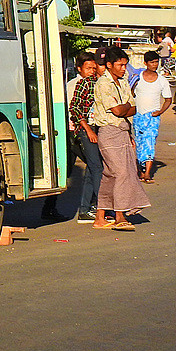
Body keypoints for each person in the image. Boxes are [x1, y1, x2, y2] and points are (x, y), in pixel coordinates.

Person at [91, 47, 150, 230]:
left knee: (110, 176)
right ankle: (120, 215)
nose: (124, 68)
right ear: (109, 65)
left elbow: (133, 107)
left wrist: (125, 109)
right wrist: (125, 108)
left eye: (125, 65)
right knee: (122, 173)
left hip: (123, 132)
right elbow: (118, 110)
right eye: (120, 65)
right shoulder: (103, 84)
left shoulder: (123, 82)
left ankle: (100, 216)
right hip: (109, 132)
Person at [68, 53, 106, 223]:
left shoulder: (99, 83)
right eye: (88, 68)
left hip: (96, 130)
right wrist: (87, 130)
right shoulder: (80, 84)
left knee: (92, 169)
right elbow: (74, 108)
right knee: (96, 168)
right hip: (81, 132)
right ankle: (102, 207)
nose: (92, 71)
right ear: (79, 69)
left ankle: (85, 209)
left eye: (94, 67)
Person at [132, 50, 172, 183]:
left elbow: (168, 99)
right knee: (139, 142)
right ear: (145, 63)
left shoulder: (162, 81)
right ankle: (141, 170)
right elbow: (131, 93)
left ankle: (148, 172)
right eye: (152, 62)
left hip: (153, 117)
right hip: (138, 115)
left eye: (156, 62)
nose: (155, 65)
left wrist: (160, 112)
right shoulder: (137, 78)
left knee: (150, 142)